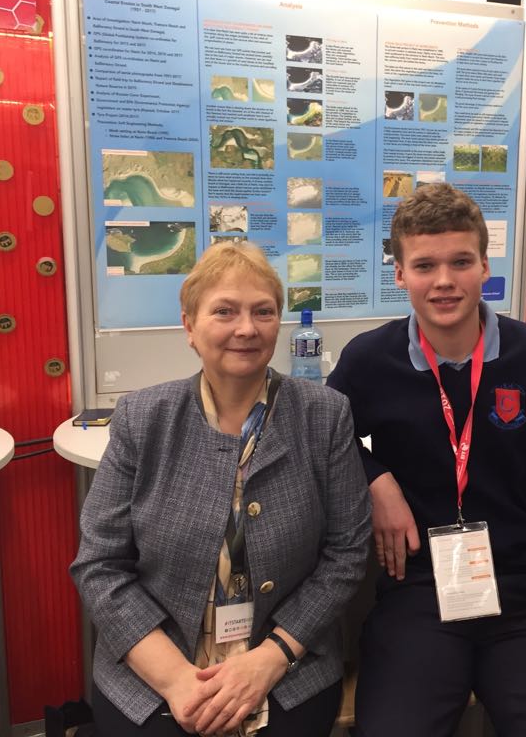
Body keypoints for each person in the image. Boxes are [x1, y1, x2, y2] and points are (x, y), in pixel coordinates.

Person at [327, 183, 526, 737]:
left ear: (484, 266)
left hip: (525, 593)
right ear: (399, 273)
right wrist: (375, 479)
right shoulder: (369, 360)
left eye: (461, 262)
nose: (445, 281)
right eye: (424, 265)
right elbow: (322, 441)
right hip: (421, 590)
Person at [71, 241, 371, 737]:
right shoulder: (144, 418)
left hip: (285, 665)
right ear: (190, 327)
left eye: (263, 312)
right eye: (224, 311)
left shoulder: (324, 415)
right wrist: (176, 680)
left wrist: (269, 661)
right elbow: (99, 565)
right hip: (155, 668)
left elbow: (346, 555)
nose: (246, 328)